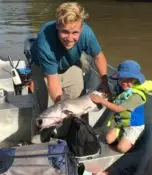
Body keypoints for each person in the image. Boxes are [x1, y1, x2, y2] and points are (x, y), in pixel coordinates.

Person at [29, 2, 110, 139]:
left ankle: (69, 139)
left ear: (81, 28)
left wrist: (105, 82)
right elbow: (52, 80)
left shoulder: (87, 33)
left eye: (75, 33)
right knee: (42, 110)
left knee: (78, 106)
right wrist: (60, 108)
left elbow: (99, 57)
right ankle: (37, 143)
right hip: (43, 69)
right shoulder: (45, 39)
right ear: (57, 26)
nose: (70, 38)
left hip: (70, 65)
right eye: (65, 32)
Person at [89, 60, 152, 153]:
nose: (124, 83)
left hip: (134, 125)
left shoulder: (136, 96)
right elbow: (117, 100)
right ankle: (122, 137)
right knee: (108, 139)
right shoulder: (121, 88)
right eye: (122, 79)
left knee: (121, 148)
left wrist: (101, 100)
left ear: (136, 80)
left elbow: (118, 108)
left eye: (129, 80)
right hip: (120, 122)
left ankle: (132, 141)